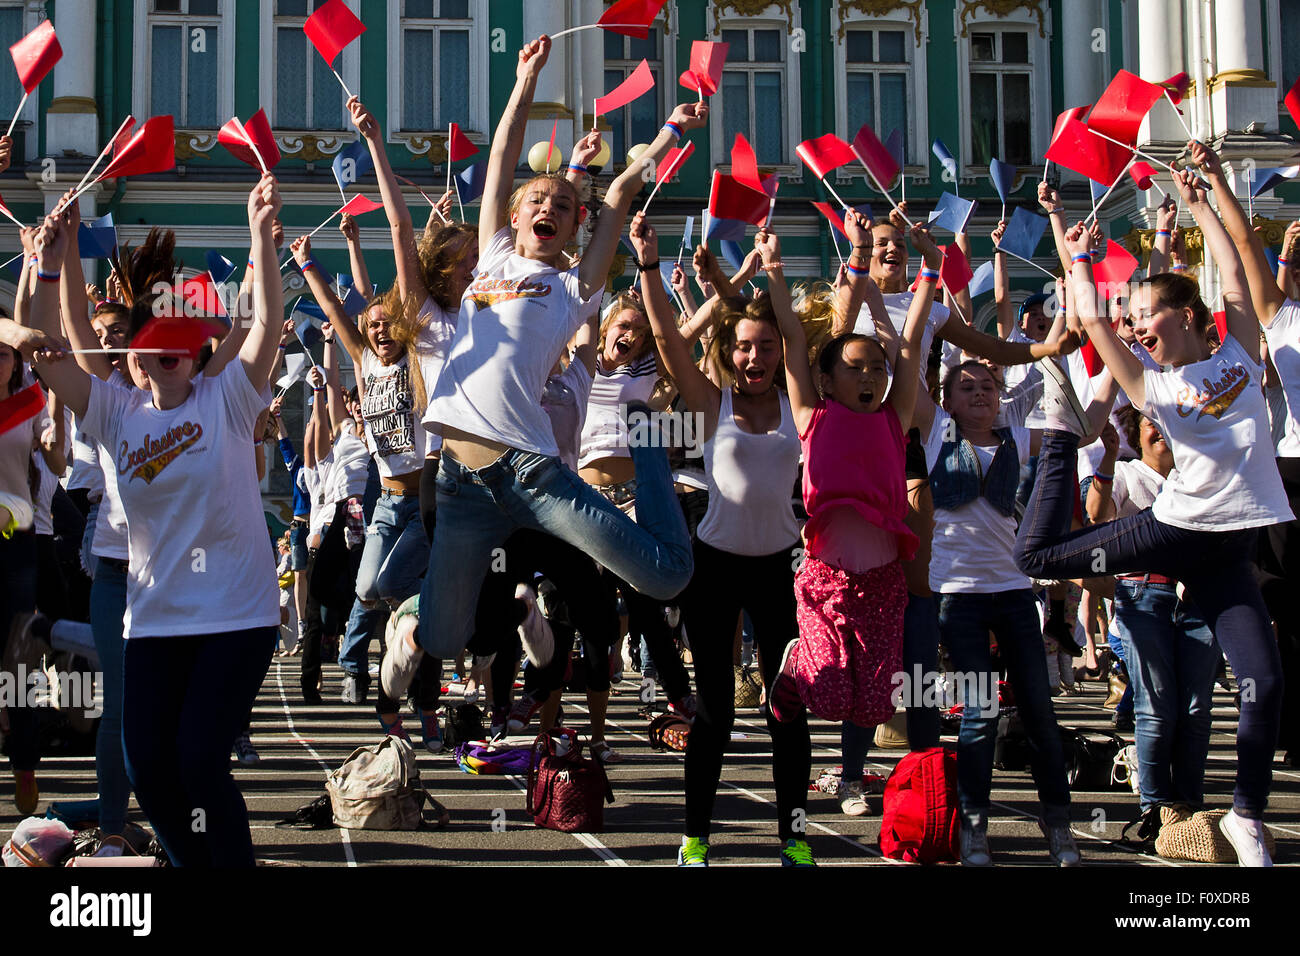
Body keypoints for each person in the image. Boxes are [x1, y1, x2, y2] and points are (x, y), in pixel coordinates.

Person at [382, 36, 699, 699]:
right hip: (462, 487)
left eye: (563, 207)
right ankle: (417, 615)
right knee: (442, 641)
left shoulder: (575, 288)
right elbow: (501, 157)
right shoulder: (493, 257)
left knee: (667, 576)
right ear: (515, 218)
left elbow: (618, 189)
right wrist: (525, 81)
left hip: (532, 473)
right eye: (538, 203)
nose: (549, 211)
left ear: (574, 224)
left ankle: (651, 458)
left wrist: (671, 128)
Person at [1014, 160, 1293, 868]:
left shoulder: (1238, 348)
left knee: (1265, 684)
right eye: (1134, 321)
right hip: (1173, 529)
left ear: (1192, 318)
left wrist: (1201, 204)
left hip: (1228, 551)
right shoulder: (1154, 384)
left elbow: (1231, 269)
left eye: (1150, 317)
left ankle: (1246, 816)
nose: (1137, 330)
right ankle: (1051, 443)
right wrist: (1076, 254)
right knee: (1037, 559)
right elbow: (1093, 321)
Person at [29, 174, 285, 867]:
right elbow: (69, 338)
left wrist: (261, 237)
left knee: (200, 761)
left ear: (197, 351)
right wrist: (61, 255)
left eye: (177, 339)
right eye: (147, 343)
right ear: (133, 359)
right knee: (148, 770)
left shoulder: (227, 398)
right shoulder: (114, 411)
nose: (162, 351)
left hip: (236, 614)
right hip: (155, 619)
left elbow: (263, 325)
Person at [636, 213, 811, 866]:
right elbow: (664, 336)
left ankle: (793, 835)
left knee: (784, 709)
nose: (756, 356)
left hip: (781, 571)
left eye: (766, 347)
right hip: (715, 566)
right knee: (715, 712)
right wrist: (650, 264)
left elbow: (795, 332)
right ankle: (697, 836)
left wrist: (773, 271)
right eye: (744, 346)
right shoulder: (711, 405)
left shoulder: (801, 404)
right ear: (728, 351)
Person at [766, 209, 934, 822]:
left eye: (875, 368)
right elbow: (789, 340)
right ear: (828, 380)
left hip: (884, 580)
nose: (869, 376)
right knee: (830, 690)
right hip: (827, 577)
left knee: (871, 703)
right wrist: (777, 275)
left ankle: (852, 779)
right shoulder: (815, 415)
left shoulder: (894, 418)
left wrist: (931, 276)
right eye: (854, 367)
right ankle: (795, 670)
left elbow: (911, 346)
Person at [1087, 413, 1218, 844]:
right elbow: (1096, 515)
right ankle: (1155, 809)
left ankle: (1191, 810)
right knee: (1157, 709)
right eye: (1150, 421)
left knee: (1197, 710)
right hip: (1144, 595)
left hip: (1199, 599)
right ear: (1135, 430)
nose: (1159, 430)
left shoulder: (1200, 472)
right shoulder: (1126, 473)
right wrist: (1106, 458)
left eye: (1168, 421)